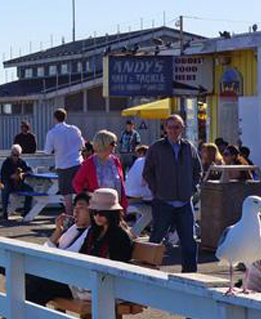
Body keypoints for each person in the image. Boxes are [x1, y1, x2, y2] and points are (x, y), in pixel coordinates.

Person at [0, 192, 94, 284]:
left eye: (81, 208)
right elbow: (48, 249)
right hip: (43, 268)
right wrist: (58, 231)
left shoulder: (92, 235)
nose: (75, 211)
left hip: (52, 275)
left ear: (93, 211)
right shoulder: (73, 229)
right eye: (75, 207)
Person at [27, 189, 133, 305]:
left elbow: (117, 268)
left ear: (113, 213)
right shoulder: (95, 230)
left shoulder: (120, 235)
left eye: (102, 213)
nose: (97, 216)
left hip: (103, 286)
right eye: (94, 212)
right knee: (35, 286)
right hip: (84, 281)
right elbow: (82, 256)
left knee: (38, 285)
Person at [142, 114, 203, 273]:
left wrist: (192, 188)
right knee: (156, 239)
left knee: (189, 241)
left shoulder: (188, 147)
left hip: (184, 202)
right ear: (165, 129)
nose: (174, 130)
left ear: (182, 128)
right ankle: (147, 272)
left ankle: (190, 276)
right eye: (170, 127)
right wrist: (157, 190)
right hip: (163, 202)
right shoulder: (156, 147)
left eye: (177, 127)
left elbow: (198, 170)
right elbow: (147, 172)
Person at [73, 130, 128, 210]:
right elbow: (77, 183)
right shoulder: (89, 163)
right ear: (103, 144)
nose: (115, 146)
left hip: (116, 205)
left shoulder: (116, 161)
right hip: (97, 207)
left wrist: (124, 204)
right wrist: (87, 200)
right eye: (112, 143)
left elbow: (121, 184)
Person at [45, 109, 85, 216]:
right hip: (78, 164)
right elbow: (82, 146)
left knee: (67, 196)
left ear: (55, 118)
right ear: (65, 117)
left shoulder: (52, 133)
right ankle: (83, 217)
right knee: (80, 193)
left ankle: (71, 219)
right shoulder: (74, 129)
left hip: (63, 166)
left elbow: (47, 151)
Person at [0, 144, 34, 221]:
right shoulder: (6, 162)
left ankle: (26, 211)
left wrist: (23, 174)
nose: (15, 157)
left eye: (17, 155)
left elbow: (30, 171)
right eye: (14, 155)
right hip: (9, 184)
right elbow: (3, 175)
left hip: (19, 185)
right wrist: (12, 176)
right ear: (11, 154)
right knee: (5, 190)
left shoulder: (22, 162)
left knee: (30, 190)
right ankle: (4, 213)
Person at [123, 145, 153, 237]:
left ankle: (139, 231)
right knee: (151, 212)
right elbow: (145, 184)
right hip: (135, 200)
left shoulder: (138, 161)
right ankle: (133, 233)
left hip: (127, 197)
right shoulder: (149, 163)